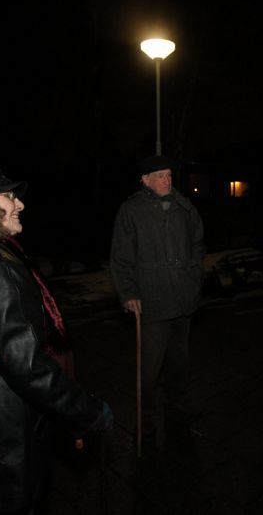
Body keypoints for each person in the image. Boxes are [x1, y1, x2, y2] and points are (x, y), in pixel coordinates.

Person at [0, 165, 113, 515]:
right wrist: (85, 411)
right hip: (2, 420)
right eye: (8, 196)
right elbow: (26, 365)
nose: (20, 204)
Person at [109, 155, 205, 450]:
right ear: (145, 180)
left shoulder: (184, 207)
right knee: (150, 370)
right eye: (160, 175)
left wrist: (193, 275)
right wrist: (128, 293)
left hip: (183, 300)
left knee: (180, 363)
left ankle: (177, 411)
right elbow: (121, 256)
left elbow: (198, 244)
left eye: (169, 175)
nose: (167, 180)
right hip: (152, 301)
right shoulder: (132, 210)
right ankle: (146, 422)